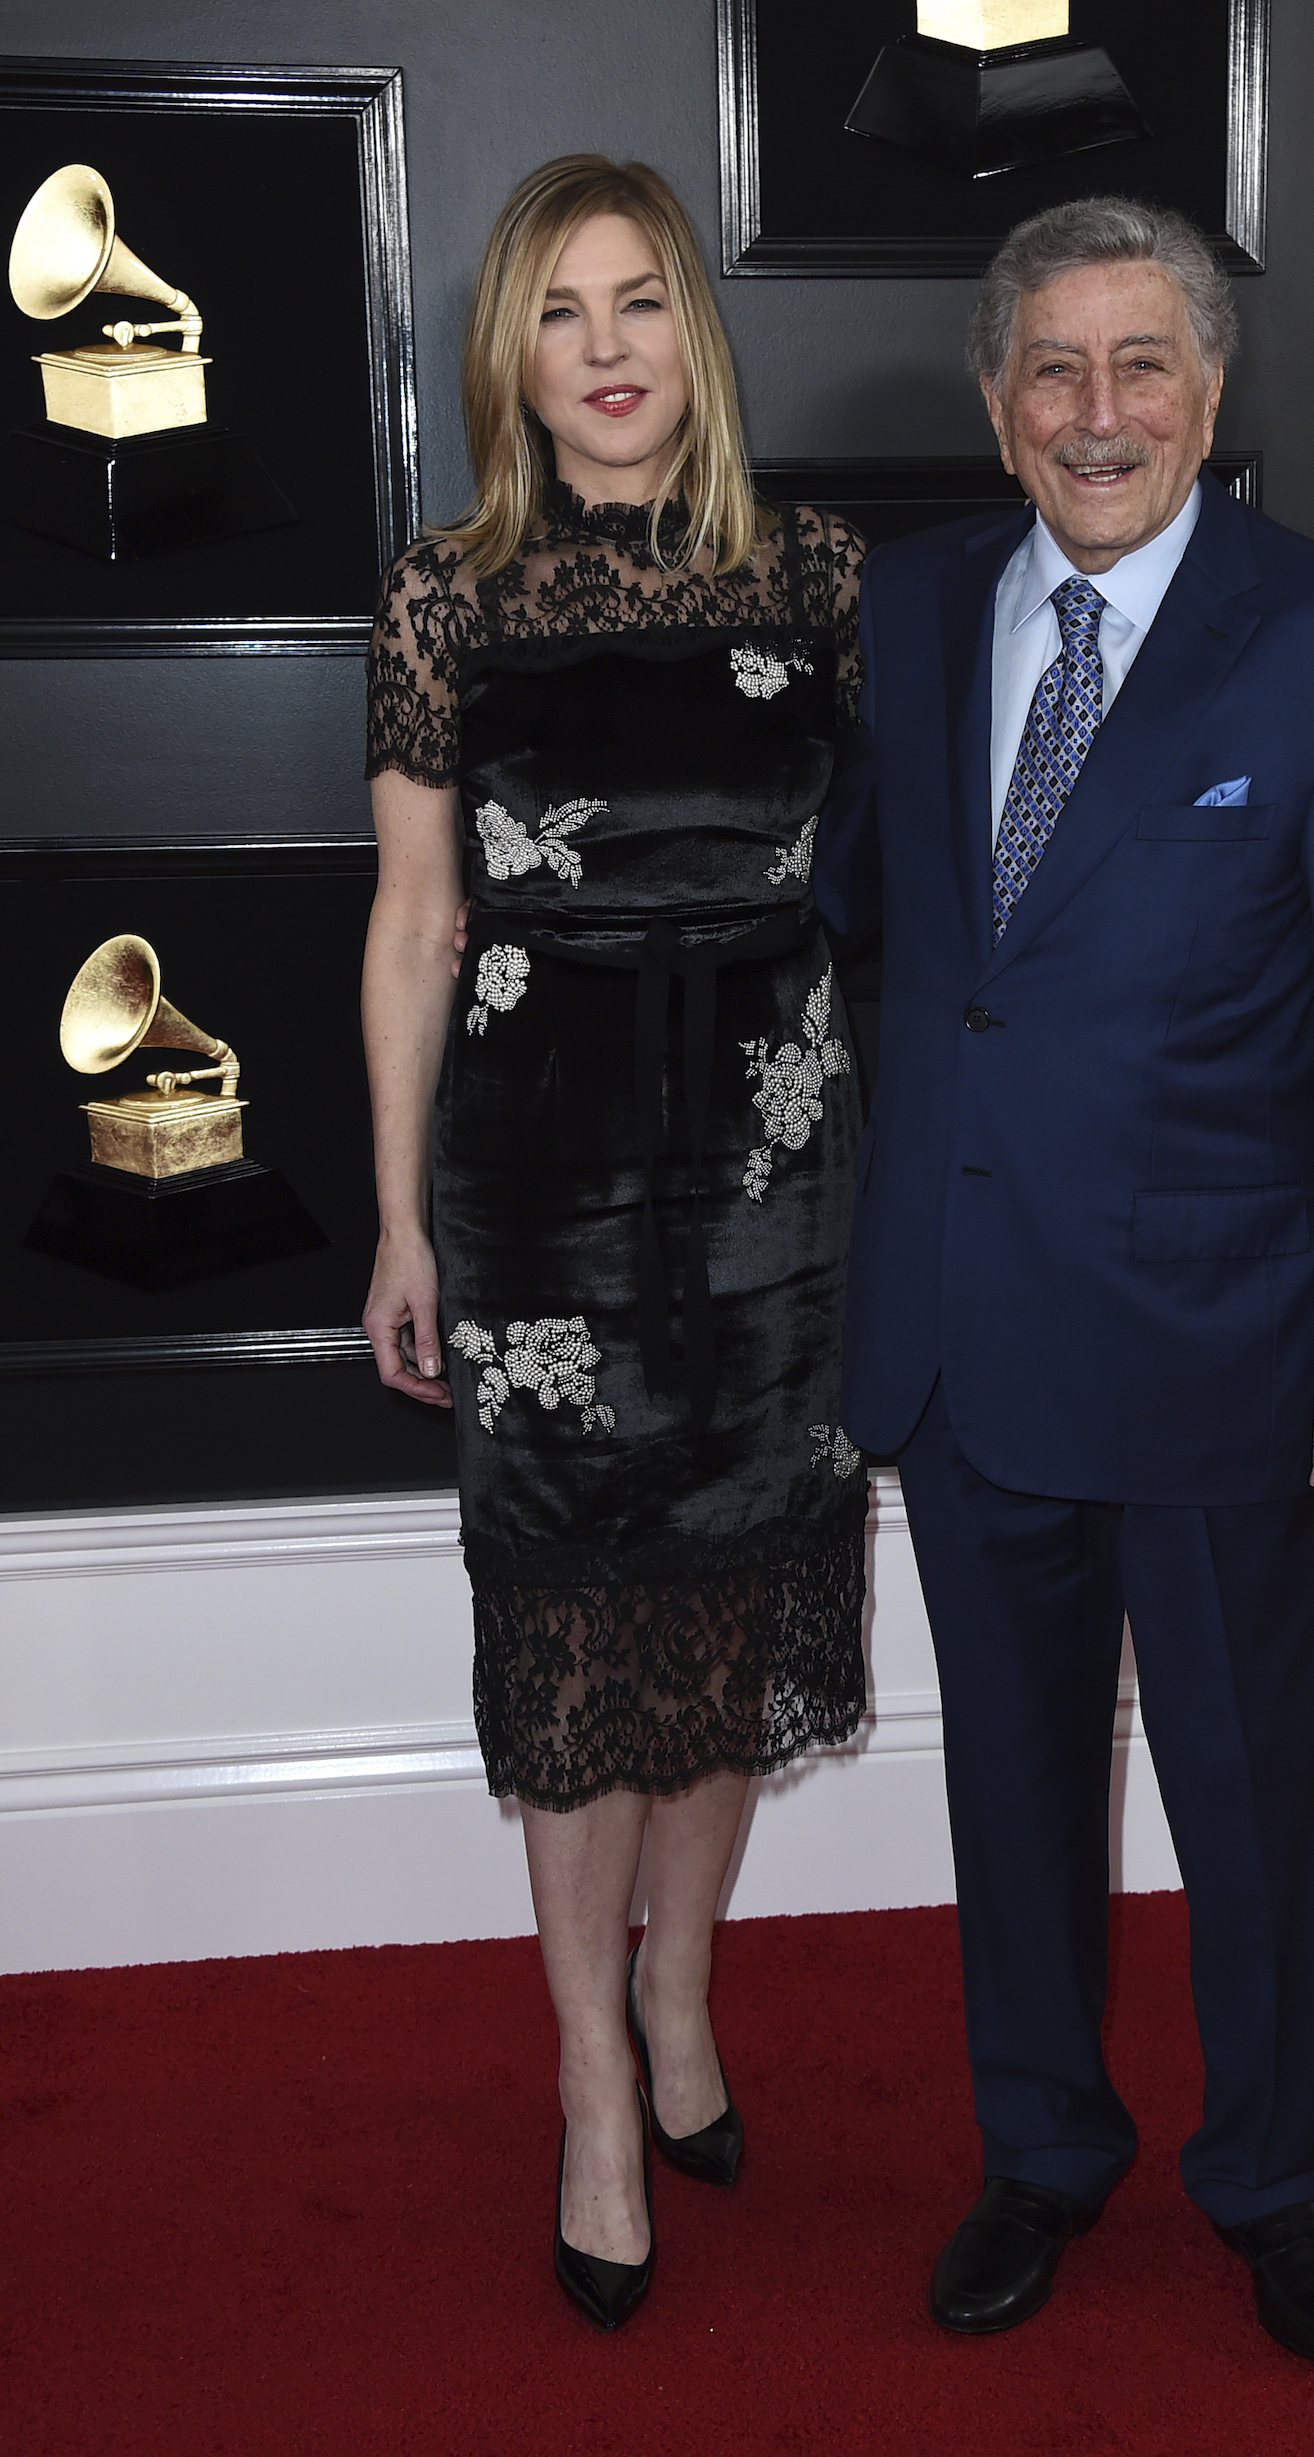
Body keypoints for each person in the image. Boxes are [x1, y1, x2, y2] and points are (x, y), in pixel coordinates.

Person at [813, 195, 1314, 2363]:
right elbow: (865, 946)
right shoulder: (900, 617)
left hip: (1230, 1354)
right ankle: (1041, 2152)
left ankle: (1272, 2175)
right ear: (997, 413)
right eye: (1056, 373)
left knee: (1258, 1809)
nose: (1103, 414)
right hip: (965, 1332)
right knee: (1011, 1792)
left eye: (1144, 365)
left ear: (1211, 394)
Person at [360, 153, 869, 2335]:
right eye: (561, 314)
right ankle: (591, 2077)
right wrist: (394, 1218)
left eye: (641, 303)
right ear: (513, 356)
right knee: (580, 1648)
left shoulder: (823, 575)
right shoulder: (446, 601)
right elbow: (409, 921)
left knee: (728, 1620)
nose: (606, 351)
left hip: (775, 1166)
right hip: (539, 1174)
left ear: (694, 331)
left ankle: (687, 2004)